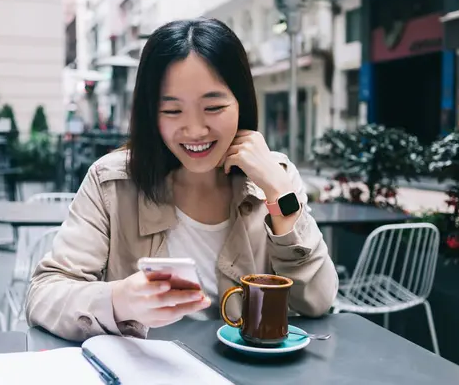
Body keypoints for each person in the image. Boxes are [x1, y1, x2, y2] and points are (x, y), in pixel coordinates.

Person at [25, 18, 338, 342]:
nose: (194, 131)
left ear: (241, 103)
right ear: (151, 113)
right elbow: (44, 295)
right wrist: (118, 300)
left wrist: (278, 194)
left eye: (213, 107)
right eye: (173, 111)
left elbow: (317, 301)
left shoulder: (275, 176)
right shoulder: (112, 183)